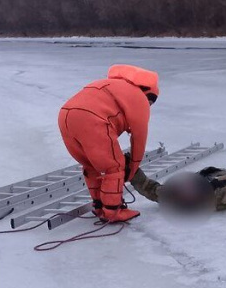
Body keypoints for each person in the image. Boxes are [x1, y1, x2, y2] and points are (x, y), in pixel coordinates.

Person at [58, 65, 159, 223]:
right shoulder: (138, 97)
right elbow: (139, 138)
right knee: (114, 167)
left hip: (66, 114)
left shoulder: (109, 85)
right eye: (151, 102)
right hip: (92, 119)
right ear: (147, 92)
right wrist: (131, 169)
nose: (149, 106)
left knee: (91, 165)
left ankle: (99, 206)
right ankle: (113, 212)